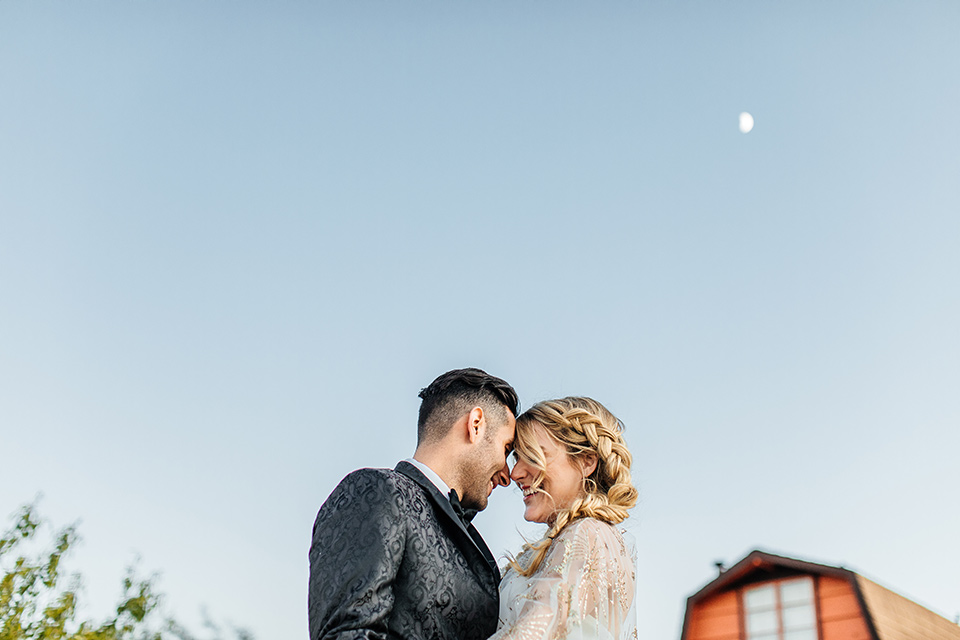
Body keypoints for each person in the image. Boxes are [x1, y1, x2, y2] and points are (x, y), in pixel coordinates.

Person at [308, 368, 519, 640]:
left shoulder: (465, 535)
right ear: (475, 424)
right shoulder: (378, 491)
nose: (507, 476)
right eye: (505, 449)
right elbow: (347, 633)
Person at [491, 397, 639, 640]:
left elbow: (538, 632)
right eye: (517, 457)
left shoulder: (588, 533)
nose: (515, 473)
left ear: (586, 461)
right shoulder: (596, 538)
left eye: (534, 456)